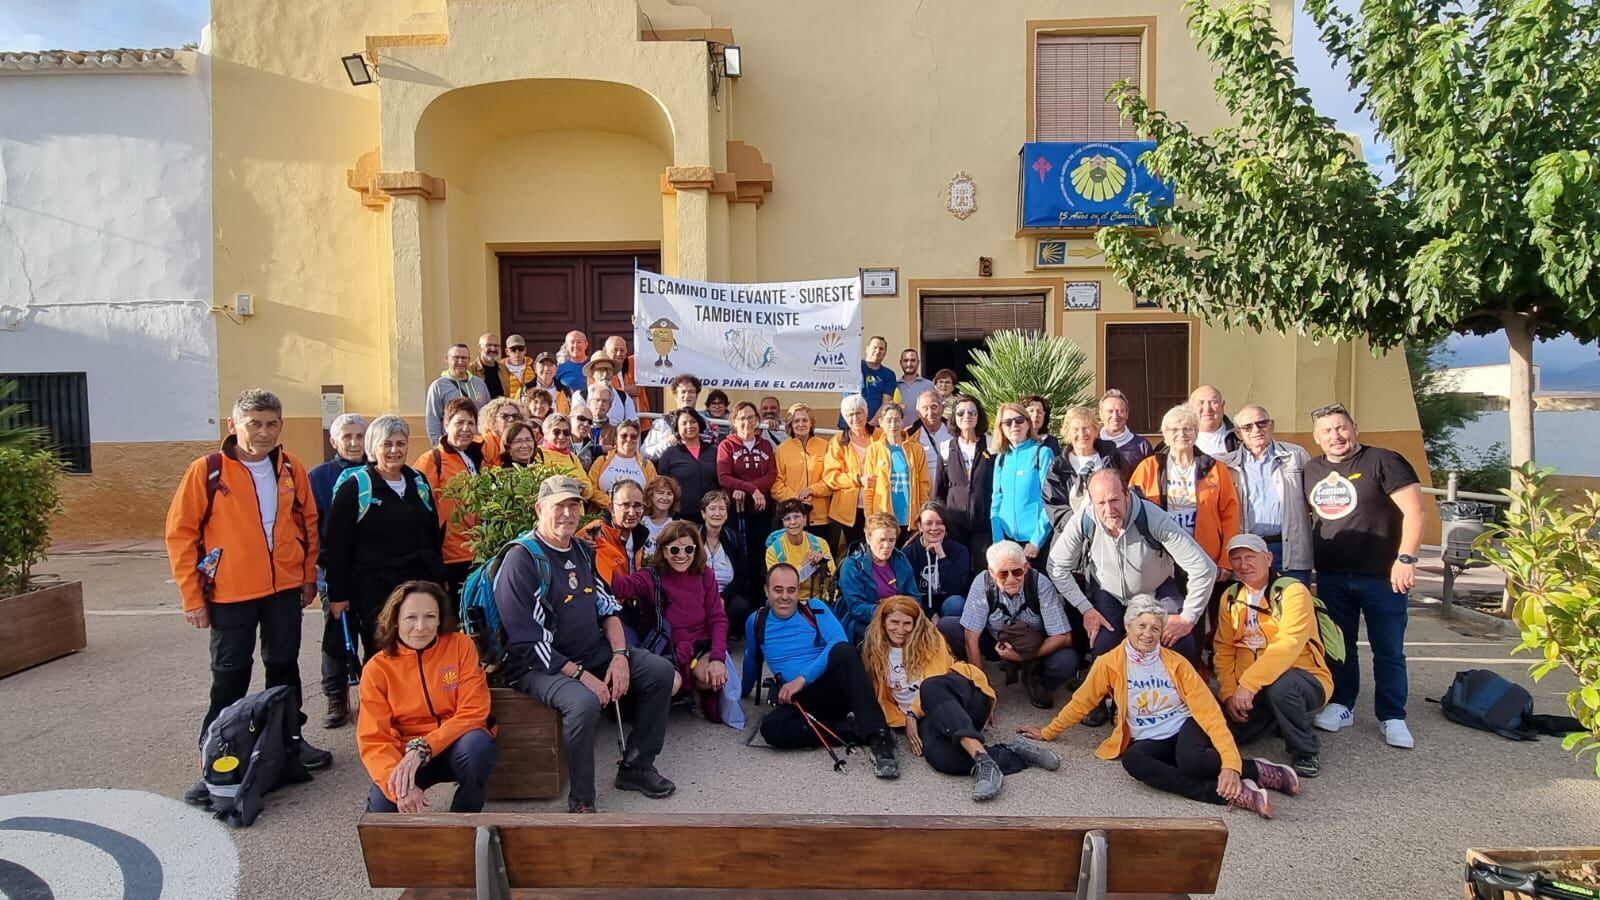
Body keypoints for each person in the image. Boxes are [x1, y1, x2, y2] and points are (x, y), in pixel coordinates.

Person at [165, 388, 332, 807]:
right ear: (233, 425)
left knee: (284, 669)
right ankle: (217, 759)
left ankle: (289, 743)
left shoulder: (291, 467)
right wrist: (192, 597)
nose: (263, 432)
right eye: (254, 424)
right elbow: (181, 535)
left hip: (283, 590)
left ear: (281, 426)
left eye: (271, 424)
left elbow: (309, 523)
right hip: (230, 593)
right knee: (230, 677)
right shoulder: (207, 471)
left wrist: (307, 576)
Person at [1018, 596, 1295, 818]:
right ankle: (1233, 795)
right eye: (1141, 626)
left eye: (1155, 628)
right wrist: (1047, 732)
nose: (1148, 634)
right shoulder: (1109, 663)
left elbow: (1210, 714)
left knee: (1192, 761)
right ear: (1128, 626)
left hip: (1186, 725)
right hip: (1150, 737)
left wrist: (1232, 766)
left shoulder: (1176, 663)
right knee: (1134, 761)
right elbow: (1082, 702)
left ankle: (1255, 770)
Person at [496, 476, 678, 813]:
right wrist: (582, 676)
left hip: (590, 652)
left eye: (574, 505)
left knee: (659, 671)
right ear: (539, 509)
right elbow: (527, 641)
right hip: (540, 665)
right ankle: (581, 798)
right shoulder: (522, 560)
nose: (567, 513)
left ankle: (636, 766)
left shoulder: (581, 549)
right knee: (584, 703)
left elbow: (608, 607)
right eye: (559, 506)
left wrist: (620, 656)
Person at [1304, 402, 1425, 749]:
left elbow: (1416, 511)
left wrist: (1406, 558)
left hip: (1383, 576)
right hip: (1332, 575)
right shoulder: (1312, 469)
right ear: (1317, 438)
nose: (1336, 436)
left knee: (1388, 648)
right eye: (1327, 431)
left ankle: (1392, 715)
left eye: (1341, 428)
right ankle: (1343, 704)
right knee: (1340, 646)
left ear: (1355, 428)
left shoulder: (1384, 461)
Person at [861, 596, 1059, 800]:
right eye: (894, 622)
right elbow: (879, 697)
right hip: (930, 718)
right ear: (883, 622)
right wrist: (902, 720)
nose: (900, 629)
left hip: (961, 699)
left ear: (916, 623)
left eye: (907, 623)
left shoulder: (930, 639)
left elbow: (935, 679)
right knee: (941, 759)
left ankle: (982, 761)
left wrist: (912, 713)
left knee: (929, 687)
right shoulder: (874, 653)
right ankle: (1014, 753)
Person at [1046, 469, 1217, 673]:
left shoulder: (1152, 517)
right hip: (1109, 593)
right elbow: (1056, 566)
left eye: (1114, 500)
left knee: (1179, 641)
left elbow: (1204, 568)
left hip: (1155, 589)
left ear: (1127, 495)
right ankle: (1110, 691)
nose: (1109, 510)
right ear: (1091, 502)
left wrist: (1188, 617)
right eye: (1101, 503)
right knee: (1102, 649)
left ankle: (1181, 688)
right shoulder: (1083, 520)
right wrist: (1086, 609)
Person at [741, 564, 899, 777]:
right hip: (801, 701)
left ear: (799, 590)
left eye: (791, 590)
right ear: (766, 590)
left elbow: (838, 641)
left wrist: (802, 679)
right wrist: (741, 693)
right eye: (778, 590)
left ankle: (879, 736)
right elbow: (752, 657)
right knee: (771, 728)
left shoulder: (814, 608)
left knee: (844, 652)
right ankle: (852, 730)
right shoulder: (756, 621)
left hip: (833, 689)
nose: (785, 597)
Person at [321, 413, 447, 669]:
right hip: (373, 588)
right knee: (382, 651)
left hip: (417, 584)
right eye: (386, 444)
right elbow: (336, 546)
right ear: (373, 447)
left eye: (400, 443)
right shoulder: (356, 487)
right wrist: (338, 594)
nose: (394, 450)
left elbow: (431, 536)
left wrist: (439, 578)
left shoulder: (418, 482)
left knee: (418, 647)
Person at [358, 581, 495, 813]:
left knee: (478, 747)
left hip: (454, 744)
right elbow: (373, 739)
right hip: (405, 756)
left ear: (440, 619)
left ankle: (464, 818)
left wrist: (424, 747)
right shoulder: (376, 669)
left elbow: (474, 711)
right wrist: (399, 787)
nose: (421, 627)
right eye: (411, 618)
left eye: (430, 616)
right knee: (383, 809)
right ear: (395, 620)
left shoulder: (461, 646)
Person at [1216, 534, 1333, 778]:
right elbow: (1224, 649)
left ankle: (1306, 751)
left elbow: (1288, 645)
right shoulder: (1230, 597)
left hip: (1303, 678)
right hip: (1251, 688)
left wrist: (1248, 685)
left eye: (1250, 557)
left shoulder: (1293, 592)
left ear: (1268, 558)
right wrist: (1228, 694)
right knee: (1225, 735)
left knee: (1283, 686)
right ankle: (1276, 719)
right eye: (1236, 558)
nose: (1243, 564)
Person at [608, 521, 733, 722]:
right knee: (670, 683)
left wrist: (717, 658)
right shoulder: (650, 576)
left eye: (688, 549)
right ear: (664, 551)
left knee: (712, 676)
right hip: (664, 649)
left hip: (698, 646)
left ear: (696, 549)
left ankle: (693, 690)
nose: (682, 555)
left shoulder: (705, 574)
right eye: (674, 549)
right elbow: (619, 587)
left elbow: (718, 618)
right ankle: (647, 710)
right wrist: (598, 554)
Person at [937, 541, 1079, 710]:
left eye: (1017, 572)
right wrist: (983, 686)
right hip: (994, 642)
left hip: (1032, 646)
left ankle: (1036, 679)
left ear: (1026, 568)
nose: (1011, 579)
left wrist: (1021, 656)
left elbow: (1063, 637)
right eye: (1003, 574)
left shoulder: (1040, 583)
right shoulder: (982, 582)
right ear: (991, 572)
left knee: (1067, 660)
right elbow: (971, 637)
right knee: (948, 626)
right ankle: (970, 678)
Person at [1129, 405, 1241, 578]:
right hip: (1160, 557)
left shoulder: (1215, 468)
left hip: (1204, 557)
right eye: (1174, 429)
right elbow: (1132, 510)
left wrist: (1225, 560)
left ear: (1196, 433)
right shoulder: (1149, 467)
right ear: (1165, 435)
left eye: (1188, 428)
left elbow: (1230, 516)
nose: (1181, 434)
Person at [307, 413, 367, 728]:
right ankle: (335, 695)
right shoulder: (319, 477)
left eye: (360, 436)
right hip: (333, 570)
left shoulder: (379, 470)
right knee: (335, 636)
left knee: (376, 635)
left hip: (370, 569)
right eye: (348, 437)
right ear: (334, 441)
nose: (355, 443)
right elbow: (311, 525)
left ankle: (374, 697)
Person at [1213, 405, 1314, 585]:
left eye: (1262, 423)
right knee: (1251, 601)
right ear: (1238, 433)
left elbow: (1314, 499)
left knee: (1294, 599)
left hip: (1290, 549)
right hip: (1247, 550)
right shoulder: (1226, 465)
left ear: (1271, 425)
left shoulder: (1296, 455)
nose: (1256, 430)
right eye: (1247, 427)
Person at [414, 398, 490, 598]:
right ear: (446, 424)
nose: (465, 429)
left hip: (478, 553)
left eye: (470, 423)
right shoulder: (431, 460)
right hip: (449, 557)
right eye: (459, 422)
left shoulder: (478, 457)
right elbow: (419, 510)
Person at [1043, 405, 1126, 535]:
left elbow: (1127, 491)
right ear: (1068, 433)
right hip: (1072, 533)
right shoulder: (1058, 467)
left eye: (1086, 428)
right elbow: (1054, 505)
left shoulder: (1112, 457)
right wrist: (1082, 527)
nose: (1081, 434)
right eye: (1075, 429)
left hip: (1111, 531)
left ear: (1095, 430)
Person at [719, 401, 779, 583]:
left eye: (751, 417)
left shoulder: (765, 445)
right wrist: (752, 490)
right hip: (736, 510)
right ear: (734, 421)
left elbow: (771, 475)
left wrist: (749, 490)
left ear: (757, 420)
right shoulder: (726, 445)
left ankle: (758, 593)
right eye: (742, 418)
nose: (747, 422)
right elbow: (723, 477)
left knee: (759, 555)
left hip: (760, 509)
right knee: (738, 554)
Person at [838, 513, 921, 643]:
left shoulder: (901, 560)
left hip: (901, 618)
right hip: (866, 622)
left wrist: (901, 615)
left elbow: (914, 597)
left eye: (891, 540)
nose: (887, 546)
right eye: (881, 540)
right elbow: (856, 607)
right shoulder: (852, 565)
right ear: (868, 538)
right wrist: (889, 614)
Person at [989, 401, 1055, 562]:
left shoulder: (1042, 453)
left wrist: (1037, 541)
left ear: (1028, 423)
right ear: (1001, 428)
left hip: (1035, 543)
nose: (1014, 425)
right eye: (1007, 422)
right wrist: (999, 541)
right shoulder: (1001, 458)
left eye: (1019, 420)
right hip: (1007, 541)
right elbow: (996, 501)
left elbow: (1050, 500)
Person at [936, 395, 994, 564]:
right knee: (958, 566)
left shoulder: (992, 445)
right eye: (961, 413)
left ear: (978, 415)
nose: (966, 416)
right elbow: (939, 490)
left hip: (984, 521)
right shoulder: (946, 448)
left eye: (971, 412)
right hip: (955, 522)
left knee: (984, 567)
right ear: (954, 417)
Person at [822, 394, 877, 554]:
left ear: (866, 413)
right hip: (849, 511)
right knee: (856, 552)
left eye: (859, 412)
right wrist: (858, 479)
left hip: (878, 505)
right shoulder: (838, 441)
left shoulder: (880, 436)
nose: (855, 418)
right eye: (850, 414)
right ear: (844, 417)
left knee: (878, 550)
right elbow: (830, 477)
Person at [862, 402, 929, 532]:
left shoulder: (917, 449)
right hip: (883, 519)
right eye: (889, 421)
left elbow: (923, 485)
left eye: (897, 420)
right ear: (881, 422)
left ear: (902, 422)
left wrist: (923, 514)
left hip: (910, 519)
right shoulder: (874, 450)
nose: (893, 425)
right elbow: (869, 488)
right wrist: (870, 518)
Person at [903, 500, 972, 620]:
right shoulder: (908, 554)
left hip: (947, 606)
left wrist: (942, 556)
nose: (934, 528)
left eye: (940, 523)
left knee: (957, 603)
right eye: (928, 523)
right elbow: (906, 592)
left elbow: (957, 589)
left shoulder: (960, 551)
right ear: (920, 526)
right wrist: (930, 614)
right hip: (919, 608)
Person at [771, 402, 832, 536]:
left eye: (805, 420)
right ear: (790, 425)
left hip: (820, 518)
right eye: (796, 421)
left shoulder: (825, 446)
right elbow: (776, 484)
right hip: (791, 517)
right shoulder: (781, 450)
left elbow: (831, 480)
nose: (801, 424)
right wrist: (797, 498)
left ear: (811, 423)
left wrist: (812, 490)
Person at [700, 490, 755, 635]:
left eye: (722, 509)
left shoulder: (734, 538)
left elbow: (742, 576)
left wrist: (723, 597)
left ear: (726, 514)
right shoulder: (693, 537)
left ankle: (729, 635)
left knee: (742, 607)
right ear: (703, 513)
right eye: (712, 508)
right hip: (699, 593)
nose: (717, 513)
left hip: (726, 594)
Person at [764, 498, 835, 603]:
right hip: (788, 603)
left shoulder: (820, 543)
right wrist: (804, 564)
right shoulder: (773, 550)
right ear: (783, 523)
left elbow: (833, 577)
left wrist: (823, 564)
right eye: (787, 519)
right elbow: (779, 585)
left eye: (797, 517)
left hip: (818, 601)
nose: (793, 522)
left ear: (804, 518)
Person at [582, 478, 650, 585]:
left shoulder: (639, 534)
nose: (632, 512)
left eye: (637, 506)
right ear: (611, 508)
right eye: (625, 505)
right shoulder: (593, 533)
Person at [656, 408, 720, 520]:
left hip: (712, 515)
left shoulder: (714, 451)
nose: (689, 426)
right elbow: (662, 484)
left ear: (699, 424)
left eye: (693, 421)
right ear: (677, 428)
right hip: (681, 517)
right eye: (684, 423)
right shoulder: (669, 454)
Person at [425, 344, 491, 445]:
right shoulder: (438, 386)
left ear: (469, 360)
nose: (460, 361)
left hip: (478, 443)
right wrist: (437, 445)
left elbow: (488, 415)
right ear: (446, 359)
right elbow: (433, 419)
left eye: (464, 358)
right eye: (456, 358)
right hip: (452, 444)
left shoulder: (479, 384)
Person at [532, 412, 603, 506]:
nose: (561, 437)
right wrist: (572, 485)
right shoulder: (538, 453)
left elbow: (589, 491)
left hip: (576, 509)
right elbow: (538, 486)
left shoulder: (572, 456)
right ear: (546, 433)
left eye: (566, 433)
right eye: (556, 432)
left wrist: (582, 489)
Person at [589, 419, 656, 504]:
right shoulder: (601, 461)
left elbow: (652, 493)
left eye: (633, 436)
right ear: (616, 439)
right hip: (602, 509)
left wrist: (631, 505)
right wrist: (613, 504)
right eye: (624, 436)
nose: (628, 439)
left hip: (636, 510)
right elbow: (591, 489)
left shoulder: (647, 465)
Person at [844, 335, 900, 427]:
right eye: (875, 347)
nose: (878, 351)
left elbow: (886, 404)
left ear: (885, 353)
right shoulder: (852, 367)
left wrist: (871, 425)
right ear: (867, 349)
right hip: (849, 424)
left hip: (874, 426)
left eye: (881, 349)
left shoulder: (889, 374)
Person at [643, 375, 702, 461]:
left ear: (697, 396)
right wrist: (668, 442)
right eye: (683, 392)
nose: (687, 395)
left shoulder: (707, 424)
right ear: (675, 396)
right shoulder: (662, 423)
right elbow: (645, 454)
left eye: (691, 392)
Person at [1099, 388, 1154, 472]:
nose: (1115, 416)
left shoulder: (1142, 446)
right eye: (1110, 411)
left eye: (1120, 411)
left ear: (1127, 414)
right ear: (1101, 415)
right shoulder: (1093, 444)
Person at [907, 390, 950, 494]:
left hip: (952, 494)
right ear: (918, 413)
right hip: (924, 495)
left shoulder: (955, 432)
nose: (930, 413)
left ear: (942, 409)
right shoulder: (909, 436)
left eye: (934, 407)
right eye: (925, 408)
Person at [575, 355, 637, 426]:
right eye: (600, 370)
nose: (605, 374)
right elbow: (577, 424)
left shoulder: (624, 397)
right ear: (592, 373)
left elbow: (633, 424)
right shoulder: (581, 396)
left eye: (609, 370)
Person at [602, 335, 650, 416]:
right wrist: (624, 391)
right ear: (606, 351)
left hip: (639, 419)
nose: (619, 353)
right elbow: (597, 393)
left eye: (622, 350)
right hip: (612, 420)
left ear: (626, 352)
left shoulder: (634, 363)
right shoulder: (598, 370)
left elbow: (648, 353)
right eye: (615, 350)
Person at [1190, 385, 1239, 459]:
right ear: (1190, 408)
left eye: (1214, 402)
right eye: (1200, 403)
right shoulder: (1180, 438)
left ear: (1222, 406)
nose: (1207, 409)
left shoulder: (1239, 436)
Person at [641, 474, 681, 558]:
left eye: (669, 494)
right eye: (660, 493)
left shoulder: (678, 524)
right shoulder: (640, 520)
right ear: (651, 495)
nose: (665, 498)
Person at [476, 397, 525, 461]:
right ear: (492, 421)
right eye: (504, 416)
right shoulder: (482, 444)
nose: (511, 419)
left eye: (515, 416)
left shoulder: (526, 443)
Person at [896, 347, 935, 417]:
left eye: (913, 360)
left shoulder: (929, 385)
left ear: (918, 362)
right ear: (900, 363)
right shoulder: (894, 385)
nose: (909, 364)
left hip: (922, 424)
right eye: (905, 360)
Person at [496, 334, 536, 401]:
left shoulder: (533, 366)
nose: (517, 352)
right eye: (513, 349)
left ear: (525, 350)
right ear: (507, 351)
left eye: (520, 349)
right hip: (509, 406)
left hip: (530, 406)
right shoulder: (499, 369)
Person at [554, 330, 591, 395]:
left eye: (579, 342)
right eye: (572, 342)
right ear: (567, 347)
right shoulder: (560, 369)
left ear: (586, 344)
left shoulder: (593, 364)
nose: (575, 345)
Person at [470, 332, 505, 400]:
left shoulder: (504, 369)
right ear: (479, 348)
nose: (493, 349)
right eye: (489, 345)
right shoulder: (470, 370)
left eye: (496, 345)